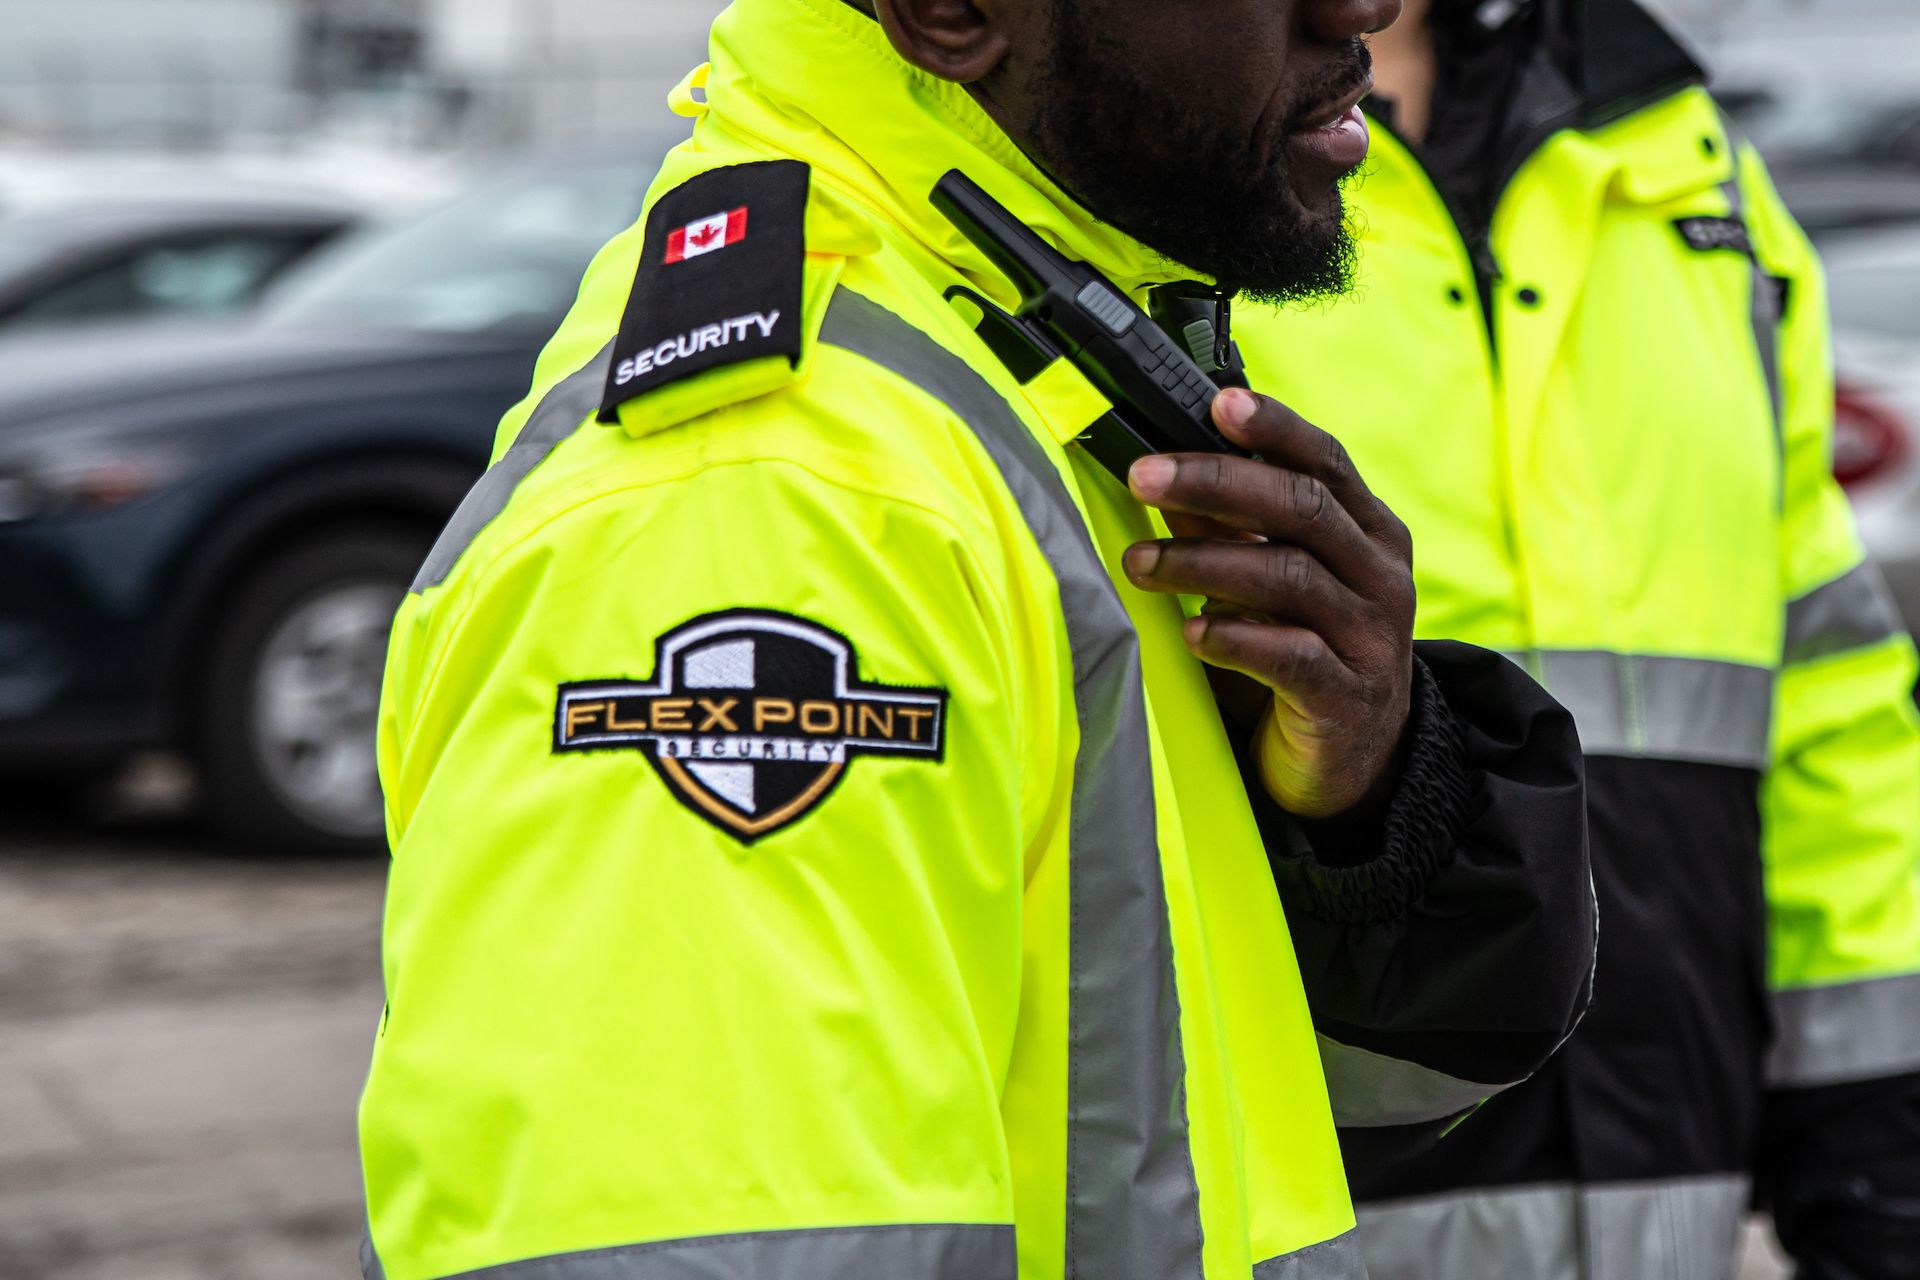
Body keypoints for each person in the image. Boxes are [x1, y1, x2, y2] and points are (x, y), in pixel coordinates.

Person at [357, 0, 1601, 1276]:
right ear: (952, 15)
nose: (1366, 8)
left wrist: (1361, 799)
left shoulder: (1018, 362)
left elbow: (1213, 1104)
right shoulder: (785, 504)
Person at [1233, 0, 1920, 1276]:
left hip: (1663, 1170)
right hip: (1300, 1173)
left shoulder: (1686, 146)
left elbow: (1824, 671)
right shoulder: (1167, 132)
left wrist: (1877, 1114)